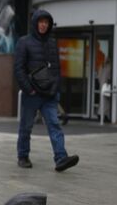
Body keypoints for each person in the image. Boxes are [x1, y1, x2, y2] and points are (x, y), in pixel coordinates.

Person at [14, 9, 79, 172]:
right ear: (35, 23)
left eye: (46, 22)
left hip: (49, 94)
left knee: (54, 125)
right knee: (26, 126)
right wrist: (29, 90)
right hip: (32, 94)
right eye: (41, 22)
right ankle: (23, 156)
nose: (43, 25)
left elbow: (56, 69)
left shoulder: (51, 42)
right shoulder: (24, 42)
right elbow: (18, 69)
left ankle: (61, 158)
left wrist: (55, 89)